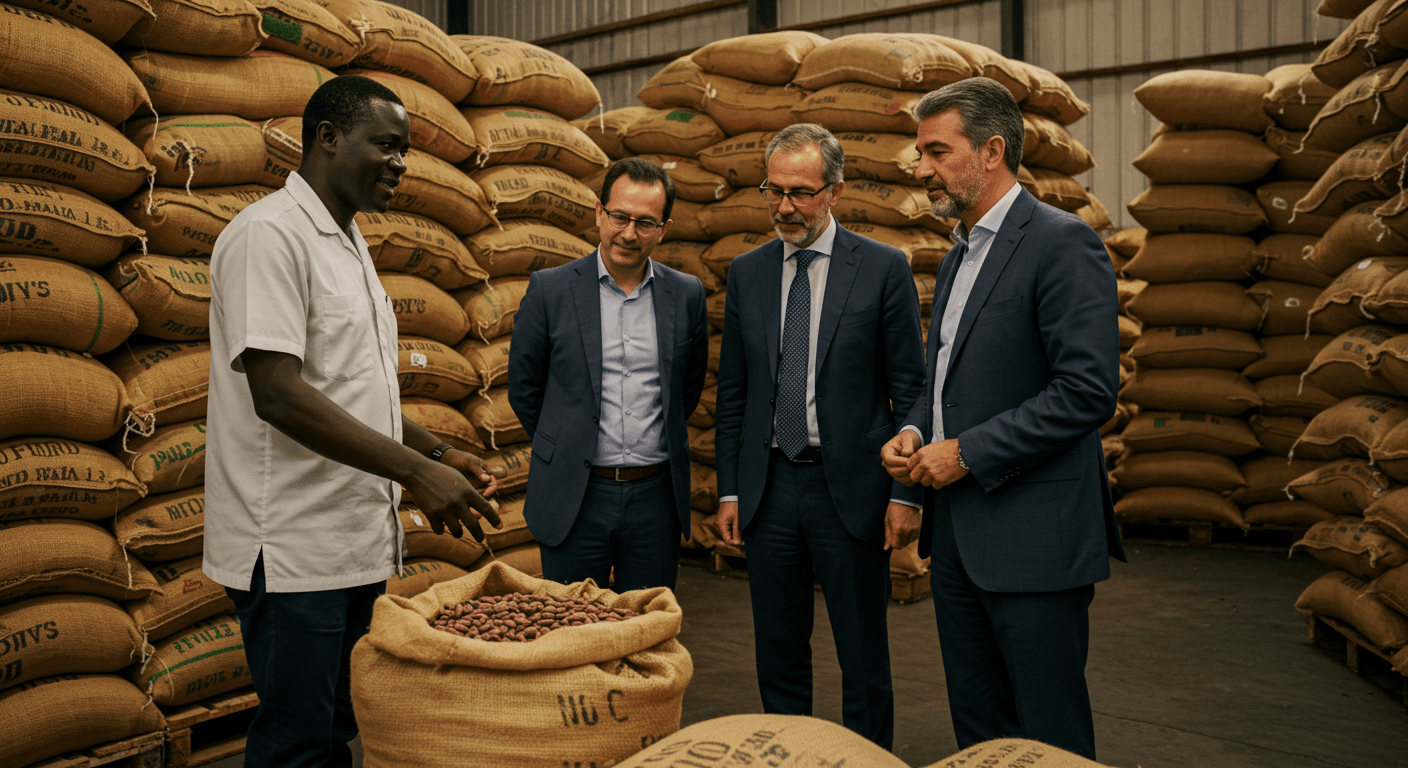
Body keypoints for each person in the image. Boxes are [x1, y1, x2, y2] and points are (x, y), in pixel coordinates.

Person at [205, 75, 502, 768]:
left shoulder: (347, 241)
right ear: (328, 139)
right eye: (387, 145)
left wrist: (436, 451)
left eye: (406, 151)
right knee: (296, 746)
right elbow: (277, 393)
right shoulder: (270, 237)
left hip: (349, 542)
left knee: (335, 732)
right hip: (290, 550)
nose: (401, 163)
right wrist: (415, 474)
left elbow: (348, 387)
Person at [880, 77, 1125, 760]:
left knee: (1047, 737)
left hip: (1035, 542)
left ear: (992, 151)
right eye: (918, 152)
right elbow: (943, 381)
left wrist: (965, 452)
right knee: (981, 732)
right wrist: (916, 436)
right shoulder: (961, 253)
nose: (921, 168)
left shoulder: (1062, 243)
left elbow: (1085, 390)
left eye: (935, 150)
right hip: (959, 542)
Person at [714, 123, 927, 749]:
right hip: (769, 488)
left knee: (863, 657)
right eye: (773, 191)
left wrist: (907, 495)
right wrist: (730, 489)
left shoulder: (883, 268)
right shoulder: (747, 272)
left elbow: (912, 391)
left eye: (800, 192)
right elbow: (734, 395)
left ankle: (867, 762)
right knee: (778, 655)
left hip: (853, 490)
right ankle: (791, 758)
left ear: (835, 190)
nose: (783, 207)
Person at [507, 157, 709, 592]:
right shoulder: (551, 289)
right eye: (619, 217)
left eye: (646, 222)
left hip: (655, 497)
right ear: (600, 213)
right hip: (575, 494)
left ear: (664, 228)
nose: (629, 234)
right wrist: (565, 442)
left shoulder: (687, 294)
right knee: (573, 633)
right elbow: (525, 389)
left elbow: (684, 391)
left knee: (646, 631)